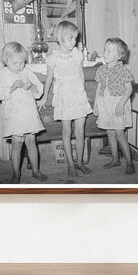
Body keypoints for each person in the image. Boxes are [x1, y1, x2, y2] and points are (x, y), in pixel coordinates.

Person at [38, 21, 92, 177]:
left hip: (78, 95)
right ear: (60, 38)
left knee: (81, 130)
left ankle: (80, 162)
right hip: (64, 96)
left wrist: (83, 93)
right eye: (71, 38)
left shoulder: (77, 54)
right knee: (67, 130)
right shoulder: (53, 58)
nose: (74, 41)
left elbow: (81, 75)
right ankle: (70, 164)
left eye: (75, 38)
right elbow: (48, 79)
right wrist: (43, 98)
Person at [0, 42, 48, 184]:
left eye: (22, 62)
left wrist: (31, 87)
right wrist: (11, 88)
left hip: (29, 113)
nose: (19, 66)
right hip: (15, 115)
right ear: (5, 60)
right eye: (15, 63)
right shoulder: (2, 74)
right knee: (17, 144)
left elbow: (39, 88)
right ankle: (16, 173)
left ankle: (36, 170)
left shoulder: (27, 71)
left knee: (31, 142)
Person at [94, 37, 136, 175]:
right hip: (105, 103)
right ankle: (115, 159)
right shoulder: (101, 69)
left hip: (118, 103)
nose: (105, 53)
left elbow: (129, 89)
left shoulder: (123, 70)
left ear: (120, 56)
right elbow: (99, 88)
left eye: (109, 51)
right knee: (110, 132)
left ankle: (129, 162)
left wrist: (121, 103)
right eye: (105, 50)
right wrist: (96, 105)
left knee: (119, 133)